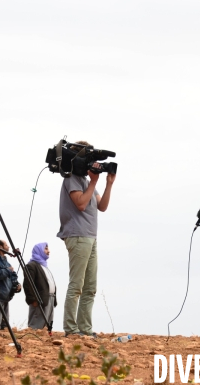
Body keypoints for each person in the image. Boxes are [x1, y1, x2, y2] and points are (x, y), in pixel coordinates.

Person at [57, 141, 116, 337]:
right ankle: (71, 329)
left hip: (90, 236)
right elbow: (81, 204)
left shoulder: (85, 181)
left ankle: (84, 328)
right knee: (77, 285)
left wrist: (108, 184)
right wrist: (93, 182)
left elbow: (103, 206)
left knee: (90, 287)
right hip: (77, 235)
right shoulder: (72, 179)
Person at [23, 242, 57, 330]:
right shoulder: (32, 266)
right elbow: (28, 284)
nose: (48, 251)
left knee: (47, 324)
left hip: (49, 299)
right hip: (40, 300)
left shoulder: (44, 266)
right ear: (39, 251)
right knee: (36, 325)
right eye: (46, 249)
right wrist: (33, 300)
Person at [0, 239, 21, 330]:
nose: (8, 247)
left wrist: (17, 285)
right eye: (6, 245)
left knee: (5, 325)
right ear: (0, 247)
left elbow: (13, 275)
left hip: (6, 296)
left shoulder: (6, 261)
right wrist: (8, 270)